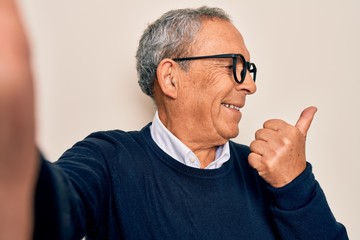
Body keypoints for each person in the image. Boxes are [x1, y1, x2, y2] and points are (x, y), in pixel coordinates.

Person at [0, 1, 348, 239]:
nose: (250, 85)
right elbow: (49, 213)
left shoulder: (269, 172)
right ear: (170, 78)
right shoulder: (109, 158)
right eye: (235, 66)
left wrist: (296, 185)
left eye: (250, 69)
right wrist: (14, 162)